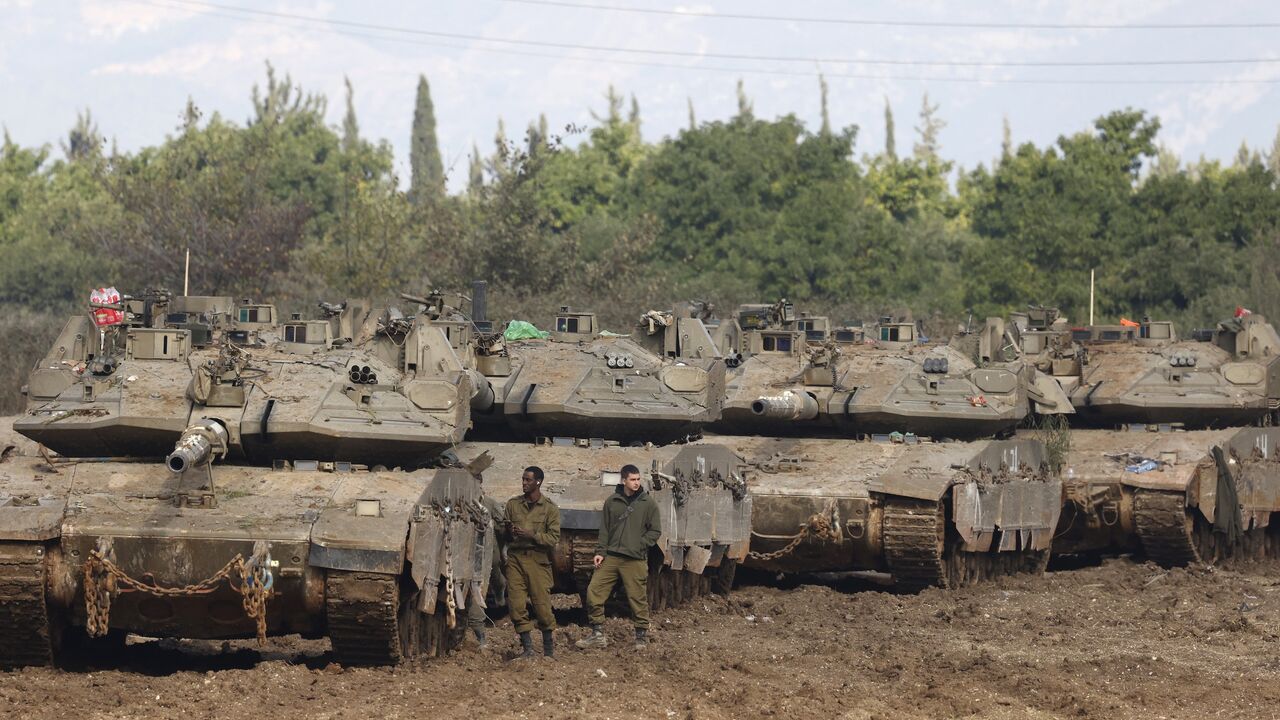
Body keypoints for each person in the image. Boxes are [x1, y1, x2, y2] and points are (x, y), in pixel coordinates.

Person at [575, 464, 662, 650]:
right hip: (612, 557)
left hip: (634, 558)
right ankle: (597, 633)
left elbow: (655, 531)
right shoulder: (612, 502)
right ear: (623, 481)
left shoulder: (648, 504)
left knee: (637, 597)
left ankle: (640, 637)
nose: (636, 483)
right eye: (632, 479)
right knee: (594, 591)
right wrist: (600, 551)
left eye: (638, 479)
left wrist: (640, 544)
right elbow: (605, 530)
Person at [503, 465, 560, 658]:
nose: (524, 483)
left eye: (528, 480)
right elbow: (504, 533)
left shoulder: (549, 509)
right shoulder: (512, 505)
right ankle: (527, 649)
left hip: (538, 559)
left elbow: (553, 538)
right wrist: (509, 532)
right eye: (523, 479)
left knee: (542, 606)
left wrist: (532, 534)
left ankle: (548, 651)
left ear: (538, 482)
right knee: (516, 605)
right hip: (515, 559)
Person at [467, 472, 508, 649]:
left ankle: (500, 590)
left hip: (488, 550)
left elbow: (503, 526)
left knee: (494, 570)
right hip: (465, 553)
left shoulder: (489, 503)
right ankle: (477, 631)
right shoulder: (460, 501)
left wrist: (505, 547)